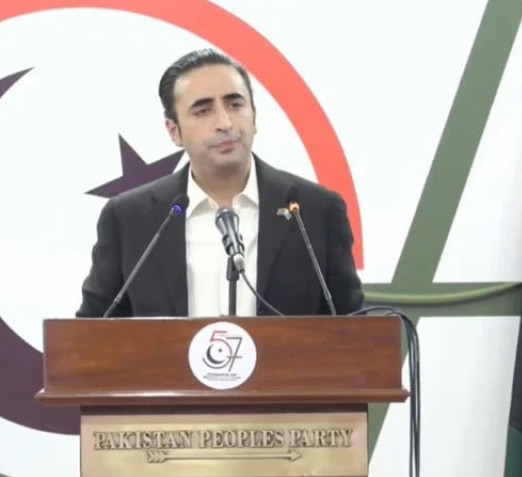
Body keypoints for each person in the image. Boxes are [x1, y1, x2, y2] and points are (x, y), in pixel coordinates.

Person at [76, 48, 363, 318]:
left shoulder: (315, 211)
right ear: (174, 131)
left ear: (254, 116)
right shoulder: (129, 219)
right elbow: (90, 333)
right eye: (203, 111)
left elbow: (354, 331)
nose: (225, 123)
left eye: (235, 104)